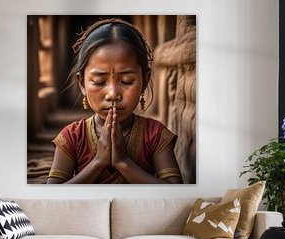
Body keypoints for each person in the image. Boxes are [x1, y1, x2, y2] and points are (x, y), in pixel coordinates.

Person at [47, 18, 183, 184]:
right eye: (99, 82)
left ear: (145, 81)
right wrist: (98, 162)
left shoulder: (155, 135)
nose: (112, 94)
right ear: (82, 83)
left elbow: (175, 190)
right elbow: (53, 193)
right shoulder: (72, 137)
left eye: (126, 81)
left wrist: (123, 163)